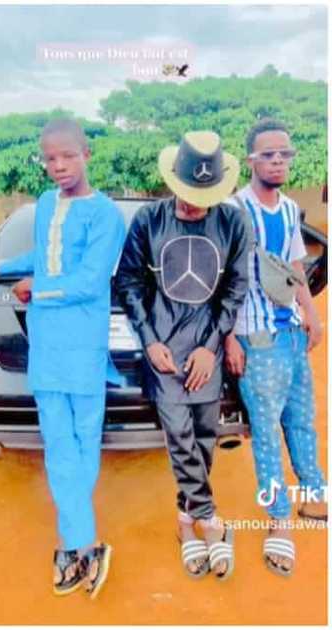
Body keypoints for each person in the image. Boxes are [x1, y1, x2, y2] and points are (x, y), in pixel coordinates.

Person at [0, 118, 123, 598]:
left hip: (83, 344)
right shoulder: (47, 204)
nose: (57, 167)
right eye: (49, 158)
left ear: (86, 154)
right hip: (47, 345)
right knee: (57, 443)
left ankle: (74, 542)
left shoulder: (105, 214)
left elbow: (90, 280)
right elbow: (44, 255)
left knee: (82, 440)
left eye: (66, 157)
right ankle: (83, 542)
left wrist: (39, 289)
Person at [115, 131, 250, 580]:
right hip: (165, 353)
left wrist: (211, 349)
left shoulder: (233, 224)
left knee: (205, 439)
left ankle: (184, 520)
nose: (194, 206)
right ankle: (209, 517)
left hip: (205, 351)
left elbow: (235, 290)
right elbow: (129, 283)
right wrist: (150, 340)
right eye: (188, 196)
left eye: (203, 198)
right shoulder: (149, 222)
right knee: (179, 436)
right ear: (173, 182)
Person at [224, 118, 328, 577]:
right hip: (255, 339)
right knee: (266, 436)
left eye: (285, 154)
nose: (278, 161)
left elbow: (293, 266)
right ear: (251, 160)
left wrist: (312, 313)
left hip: (289, 335)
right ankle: (278, 520)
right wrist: (228, 336)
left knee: (302, 423)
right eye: (268, 154)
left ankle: (314, 496)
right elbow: (220, 281)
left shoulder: (288, 209)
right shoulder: (232, 210)